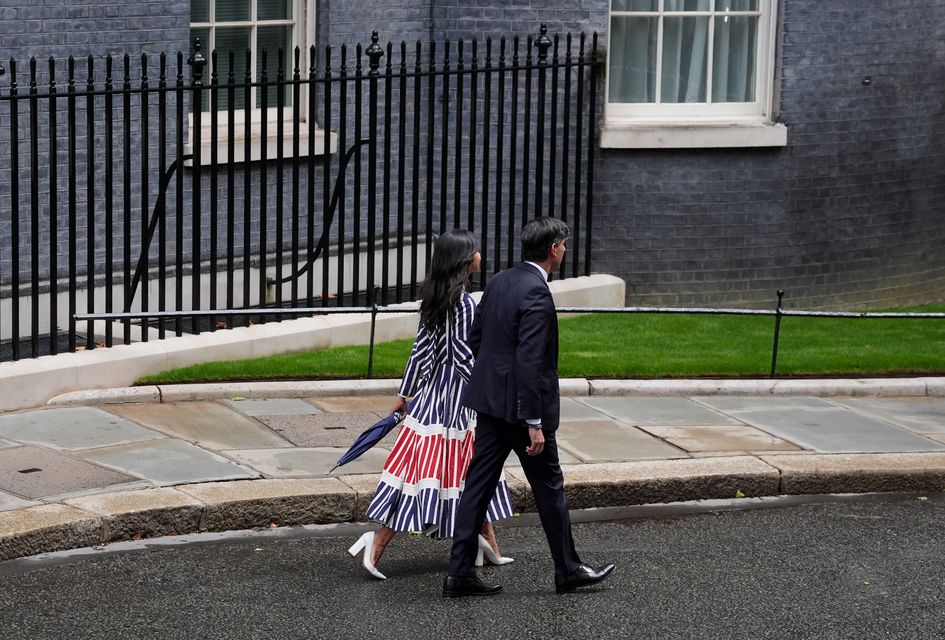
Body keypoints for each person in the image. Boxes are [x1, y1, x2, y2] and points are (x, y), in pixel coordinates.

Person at [443, 217, 615, 597]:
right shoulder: (537, 293)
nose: (566, 250)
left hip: (489, 405)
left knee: (477, 487)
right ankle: (568, 571)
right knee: (550, 489)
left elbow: (477, 339)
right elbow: (531, 360)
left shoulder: (500, 281)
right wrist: (533, 422)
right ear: (553, 249)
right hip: (522, 412)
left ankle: (459, 575)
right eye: (564, 244)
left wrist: (493, 385)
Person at [348, 229, 515, 580]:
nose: (480, 254)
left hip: (433, 398)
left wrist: (404, 394)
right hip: (455, 405)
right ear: (466, 261)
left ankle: (490, 546)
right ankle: (376, 541)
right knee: (447, 471)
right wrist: (490, 393)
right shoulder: (465, 304)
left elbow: (420, 351)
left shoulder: (436, 298)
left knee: (462, 471)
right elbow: (461, 357)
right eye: (476, 250)